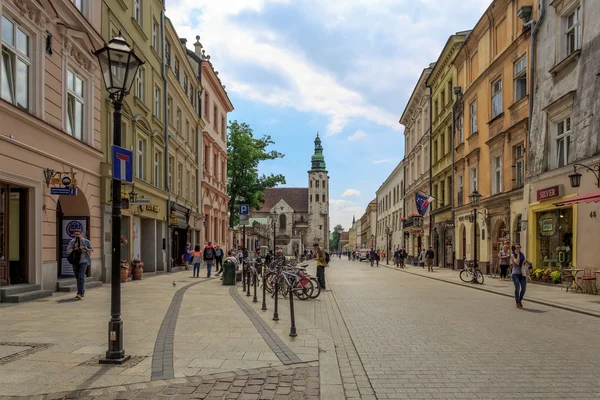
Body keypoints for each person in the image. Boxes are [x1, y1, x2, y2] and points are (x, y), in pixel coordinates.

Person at [67, 229, 93, 300]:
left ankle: (79, 293)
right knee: (77, 277)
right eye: (75, 234)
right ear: (74, 235)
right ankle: (82, 290)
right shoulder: (72, 242)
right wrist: (75, 248)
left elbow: (92, 249)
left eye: (78, 234)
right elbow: (68, 251)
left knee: (81, 277)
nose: (77, 236)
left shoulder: (86, 241)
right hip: (75, 262)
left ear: (81, 234)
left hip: (83, 262)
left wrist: (86, 249)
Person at [511, 244, 527, 308]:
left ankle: (519, 300)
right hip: (515, 274)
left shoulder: (522, 254)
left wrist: (525, 262)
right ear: (514, 248)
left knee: (524, 288)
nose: (519, 248)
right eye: (517, 247)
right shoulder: (512, 255)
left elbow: (523, 263)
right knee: (517, 287)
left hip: (522, 274)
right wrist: (517, 254)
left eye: (519, 247)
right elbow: (517, 262)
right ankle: (517, 302)